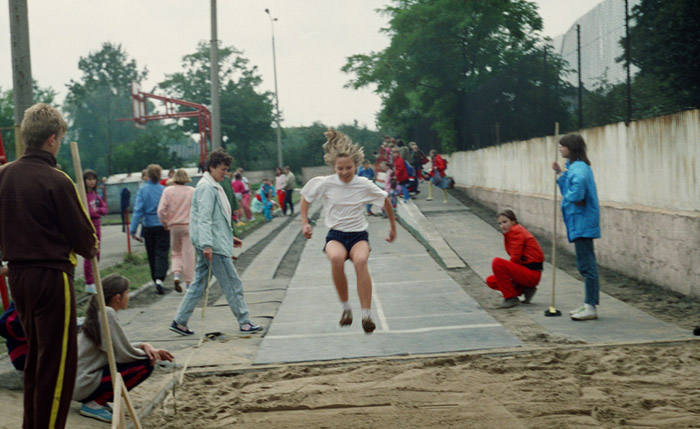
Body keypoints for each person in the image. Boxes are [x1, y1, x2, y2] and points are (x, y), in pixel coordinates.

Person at [0, 103, 98, 428]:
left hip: (18, 278)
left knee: (36, 362)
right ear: (53, 139)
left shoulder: (4, 175)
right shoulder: (57, 180)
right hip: (52, 278)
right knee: (57, 367)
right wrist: (91, 244)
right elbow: (85, 241)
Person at [300, 128, 397, 334]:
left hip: (358, 235)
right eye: (340, 168)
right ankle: (346, 309)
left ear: (356, 166)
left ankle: (366, 315)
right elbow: (306, 197)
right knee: (336, 258)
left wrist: (392, 227)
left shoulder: (363, 184)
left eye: (349, 168)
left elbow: (385, 200)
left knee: (361, 261)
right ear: (334, 167)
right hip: (335, 234)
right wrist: (304, 222)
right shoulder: (326, 183)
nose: (344, 172)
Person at [170, 148, 262, 336]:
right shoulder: (206, 187)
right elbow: (204, 218)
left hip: (214, 242)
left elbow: (218, 218)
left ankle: (180, 321)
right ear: (211, 167)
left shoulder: (213, 185)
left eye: (227, 170)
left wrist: (228, 237)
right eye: (222, 169)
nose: (225, 173)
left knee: (199, 284)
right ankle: (244, 322)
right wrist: (207, 245)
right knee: (232, 282)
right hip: (212, 246)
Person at [73, 274, 173, 423]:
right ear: (117, 297)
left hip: (76, 383)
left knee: (145, 356)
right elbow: (124, 355)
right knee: (146, 363)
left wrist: (143, 345)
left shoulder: (99, 311)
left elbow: (116, 346)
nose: (129, 297)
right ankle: (95, 403)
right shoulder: (107, 313)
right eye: (127, 293)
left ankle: (96, 399)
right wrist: (153, 354)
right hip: (83, 383)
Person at [552, 134, 601, 321]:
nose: (560, 149)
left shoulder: (579, 168)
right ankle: (588, 303)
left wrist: (575, 197)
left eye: (562, 146)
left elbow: (576, 189)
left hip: (582, 222)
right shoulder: (573, 167)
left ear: (571, 148)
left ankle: (591, 306)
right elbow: (569, 189)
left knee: (587, 266)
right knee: (584, 264)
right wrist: (560, 174)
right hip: (578, 222)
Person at [486, 210, 544, 308]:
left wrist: (510, 276)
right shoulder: (512, 232)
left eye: (505, 222)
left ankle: (511, 297)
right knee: (491, 280)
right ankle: (526, 289)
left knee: (497, 262)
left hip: (531, 273)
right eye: (500, 223)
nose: (502, 225)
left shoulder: (516, 231)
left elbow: (515, 256)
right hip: (527, 272)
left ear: (513, 221)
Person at [130, 164, 170, 294]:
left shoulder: (142, 190)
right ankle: (160, 278)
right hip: (162, 225)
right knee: (162, 252)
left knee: (151, 253)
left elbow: (137, 210)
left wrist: (133, 229)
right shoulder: (164, 190)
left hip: (148, 226)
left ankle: (155, 278)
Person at [157, 169, 195, 293]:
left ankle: (176, 275)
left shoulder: (168, 191)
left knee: (176, 252)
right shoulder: (192, 191)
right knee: (188, 254)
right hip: (188, 226)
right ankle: (189, 282)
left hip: (173, 226)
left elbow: (161, 210)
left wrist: (165, 222)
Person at [83, 169, 109, 295]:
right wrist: (96, 211)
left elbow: (105, 209)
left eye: (93, 179)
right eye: (89, 179)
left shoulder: (96, 195)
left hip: (97, 225)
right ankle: (89, 282)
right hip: (88, 227)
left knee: (97, 252)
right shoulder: (83, 195)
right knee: (90, 254)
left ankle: (94, 279)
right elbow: (87, 211)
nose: (91, 182)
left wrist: (97, 210)